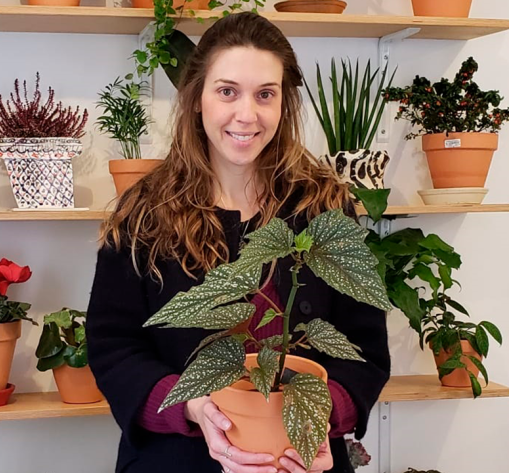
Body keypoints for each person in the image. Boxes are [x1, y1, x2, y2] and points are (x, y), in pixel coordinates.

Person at [85, 11, 390, 473]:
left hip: (300, 461)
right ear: (196, 100)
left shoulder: (322, 207)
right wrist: (191, 407)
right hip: (177, 460)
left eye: (265, 95)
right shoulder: (145, 213)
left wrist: (319, 417)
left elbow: (364, 345)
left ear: (283, 105)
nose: (246, 115)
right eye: (227, 91)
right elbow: (112, 346)